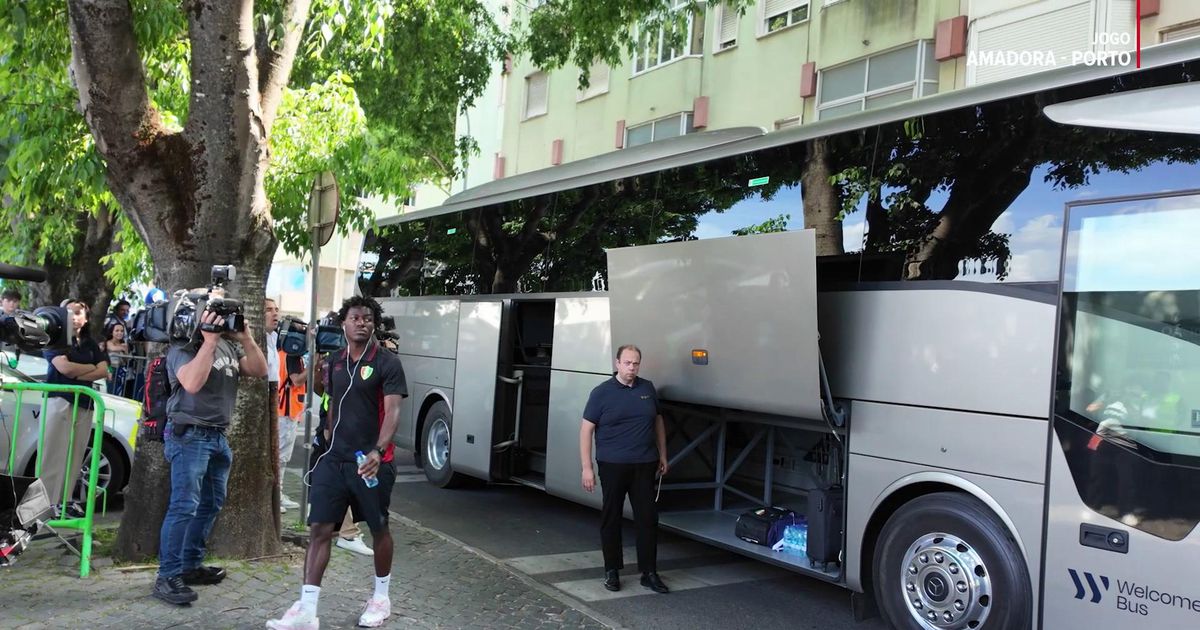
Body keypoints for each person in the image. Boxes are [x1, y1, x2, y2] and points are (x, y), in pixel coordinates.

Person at [268, 296, 407, 630]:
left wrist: (377, 450)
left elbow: (393, 411)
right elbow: (322, 390)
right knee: (319, 529)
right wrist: (315, 360)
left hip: (371, 461)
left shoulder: (387, 362)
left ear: (374, 324)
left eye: (368, 318)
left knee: (378, 528)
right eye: (355, 317)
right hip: (333, 460)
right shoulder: (333, 361)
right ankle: (307, 609)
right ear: (343, 323)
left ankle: (381, 597)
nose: (362, 322)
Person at [153, 303, 268, 606]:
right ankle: (167, 576)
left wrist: (245, 338)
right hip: (189, 435)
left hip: (217, 437)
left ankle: (189, 566)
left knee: (210, 503)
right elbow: (191, 383)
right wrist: (210, 341)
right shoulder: (183, 347)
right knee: (183, 506)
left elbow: (259, 370)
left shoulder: (230, 346)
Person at [580, 344, 670, 594]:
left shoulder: (647, 388)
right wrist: (587, 467)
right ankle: (612, 571)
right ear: (617, 363)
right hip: (612, 465)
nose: (632, 367)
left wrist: (663, 454)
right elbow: (586, 430)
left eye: (636, 363)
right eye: (627, 363)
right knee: (612, 517)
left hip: (644, 463)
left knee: (648, 519)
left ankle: (649, 572)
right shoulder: (601, 393)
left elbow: (658, 421)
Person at [41, 300, 109, 514]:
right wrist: (90, 368)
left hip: (85, 403)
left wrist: (79, 371)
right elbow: (63, 368)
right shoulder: (54, 339)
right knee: (52, 453)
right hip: (60, 399)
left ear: (86, 317)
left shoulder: (90, 343)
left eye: (79, 312)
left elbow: (104, 370)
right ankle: (43, 504)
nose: (74, 316)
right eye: (69, 312)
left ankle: (65, 501)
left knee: (75, 454)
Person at [102, 321, 131, 396]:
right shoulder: (108, 342)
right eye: (117, 330)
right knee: (110, 391)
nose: (120, 333)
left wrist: (125, 351)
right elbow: (112, 348)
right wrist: (122, 348)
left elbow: (127, 359)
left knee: (118, 393)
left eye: (122, 331)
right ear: (112, 332)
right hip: (110, 369)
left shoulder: (124, 344)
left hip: (120, 371)